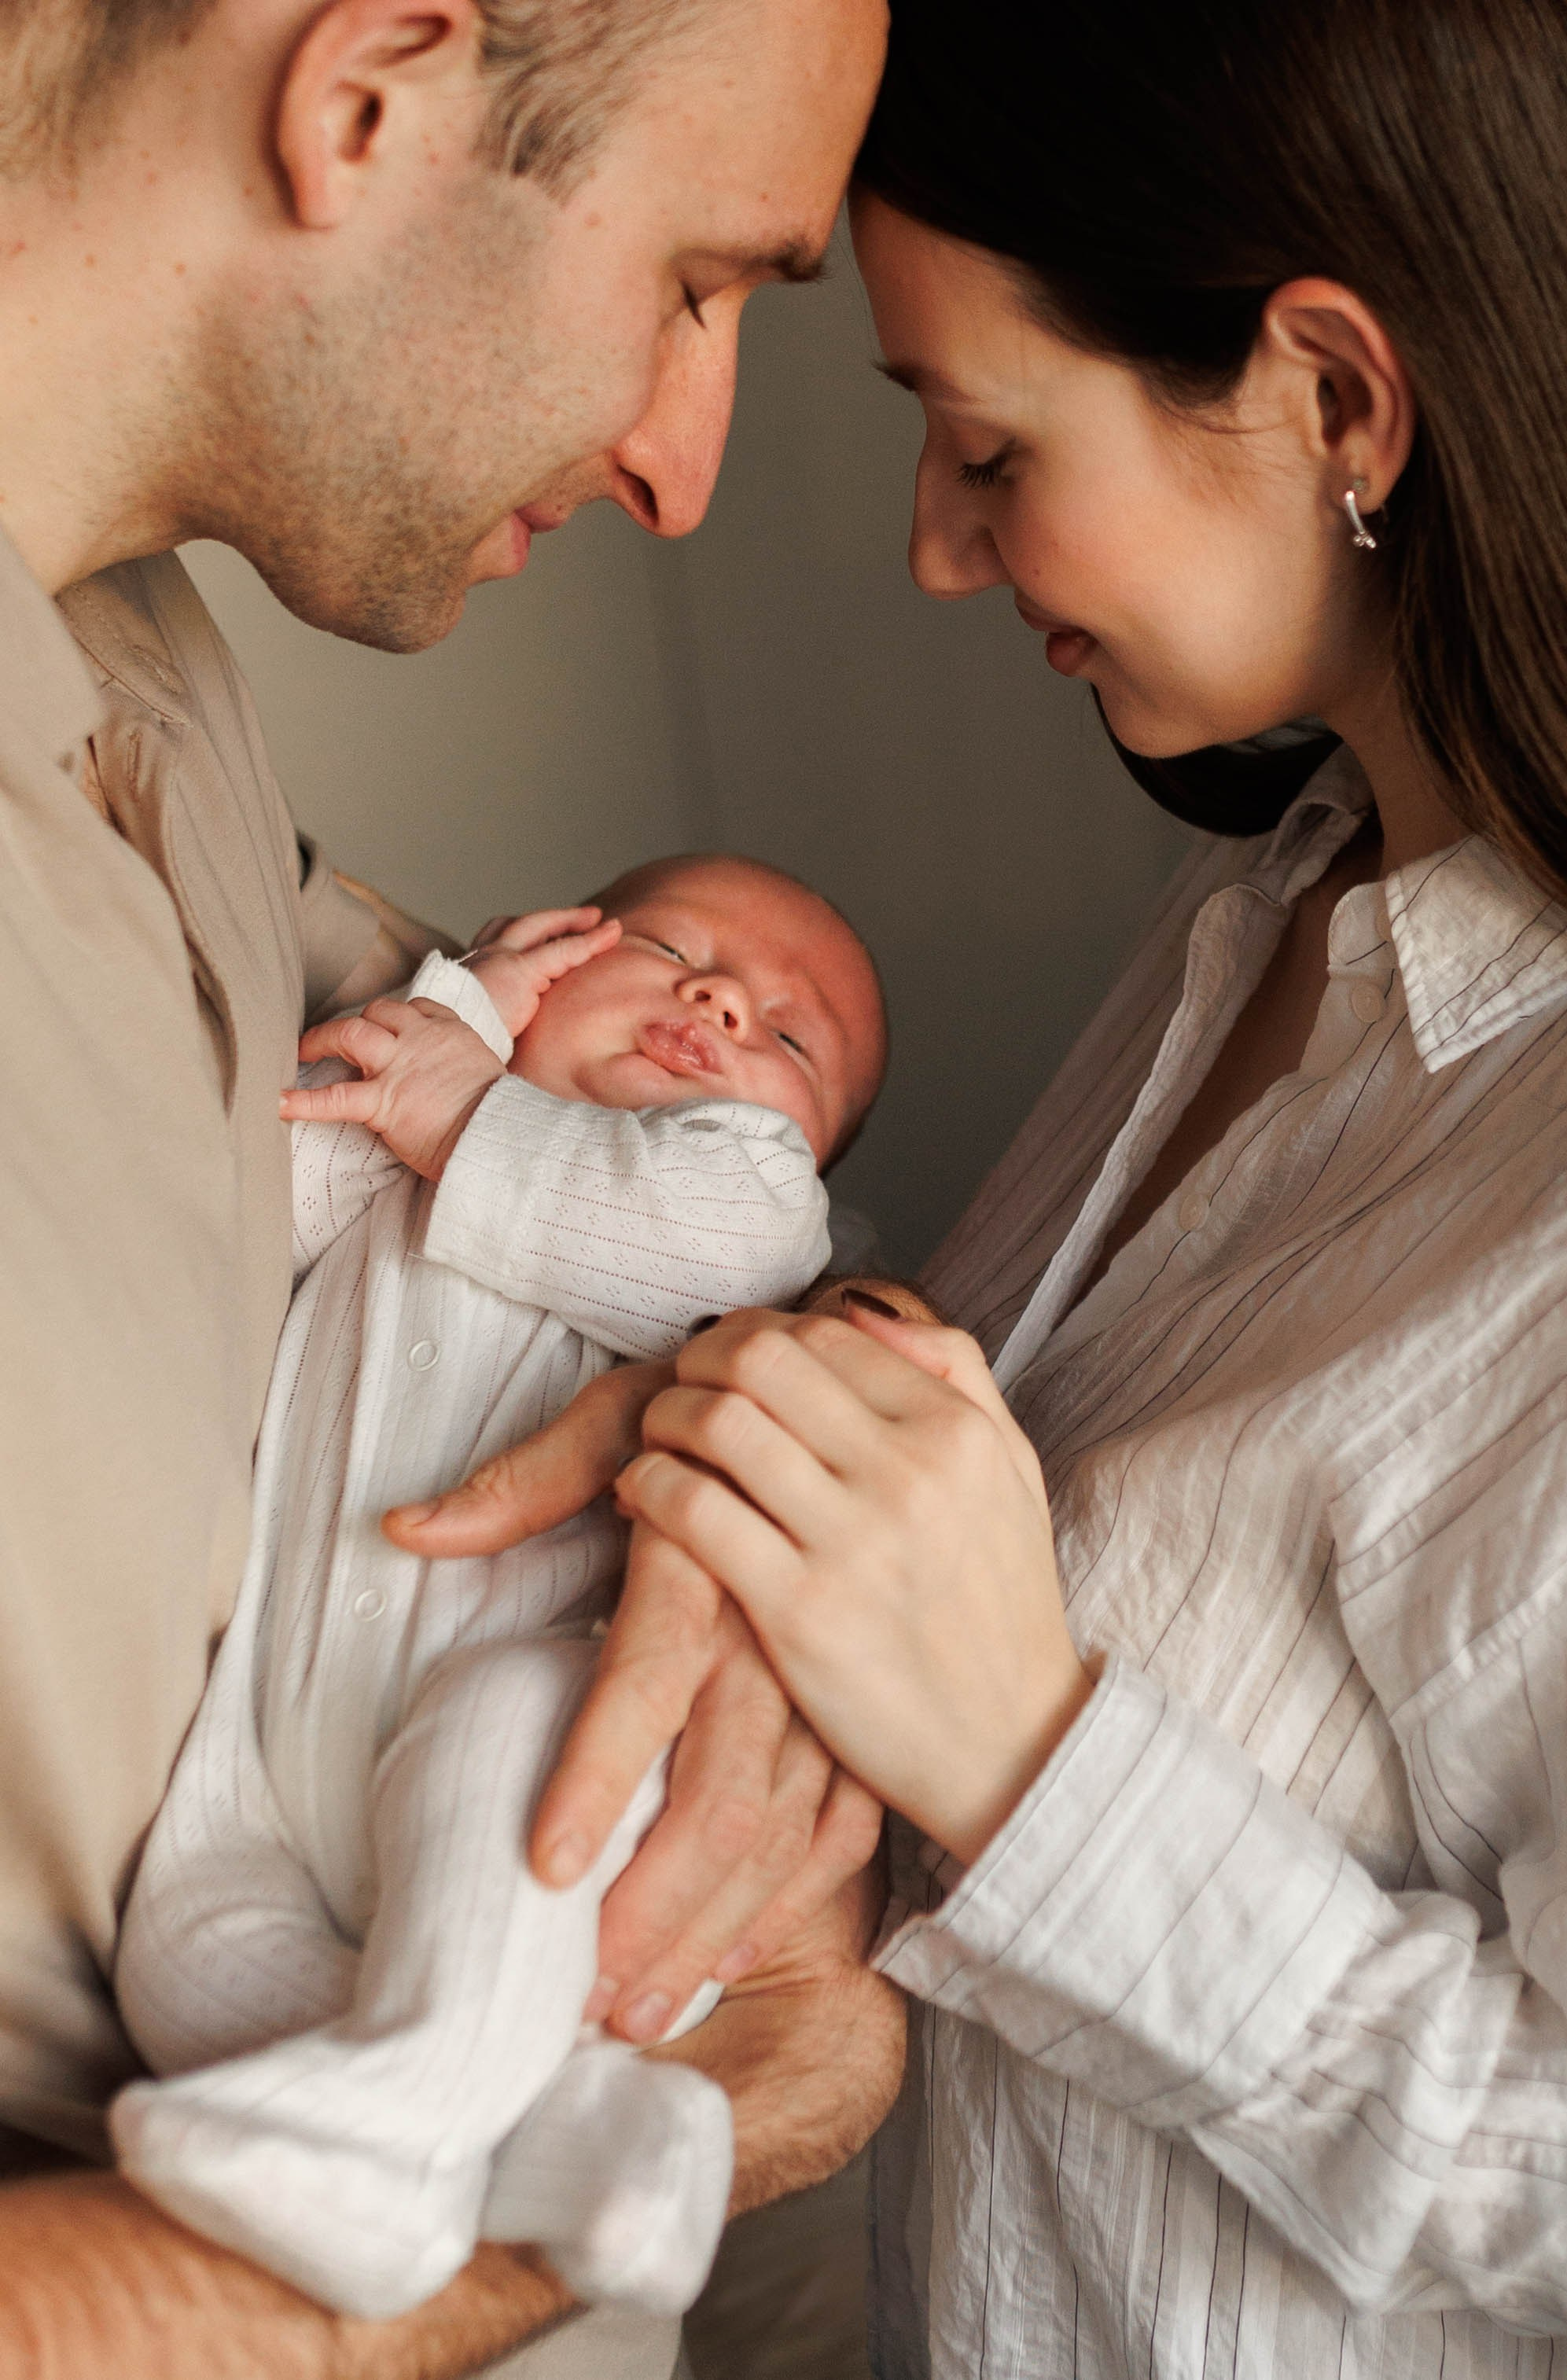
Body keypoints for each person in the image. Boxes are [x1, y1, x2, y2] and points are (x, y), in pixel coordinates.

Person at [434, 0, 1567, 2371]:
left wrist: (1032, 1756)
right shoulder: (1268, 914)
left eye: (982, 442)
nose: (937, 552)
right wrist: (756, 1406)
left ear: (1337, 399)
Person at [0, 6, 899, 2378]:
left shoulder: (142, 670)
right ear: (365, 92)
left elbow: (505, 1101)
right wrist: (685, 2123)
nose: (690, 475)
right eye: (703, 282)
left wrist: (781, 1403)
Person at [111, 857, 886, 2325]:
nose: (718, 998)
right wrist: (448, 1023)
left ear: (817, 1153)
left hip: (546, 1717)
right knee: (180, 1956)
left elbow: (720, 1242)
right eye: (662, 946)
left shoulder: (750, 1203)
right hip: (274, 1744)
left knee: (506, 1716)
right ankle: (588, 2137)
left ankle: (397, 2121)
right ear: (542, 967)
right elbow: (248, 1224)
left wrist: (471, 1108)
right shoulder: (421, 1116)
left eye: (791, 1040)